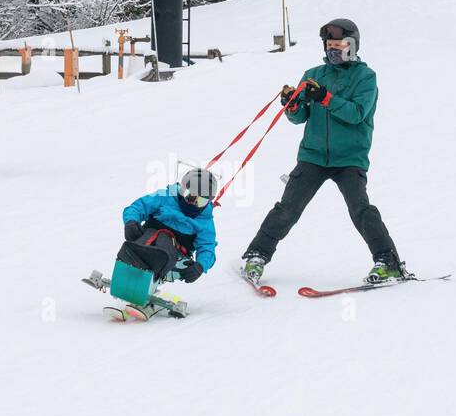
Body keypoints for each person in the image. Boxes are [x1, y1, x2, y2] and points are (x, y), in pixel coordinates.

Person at [241, 18, 407, 284]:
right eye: (330, 45)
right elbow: (300, 117)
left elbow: (356, 114)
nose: (334, 50)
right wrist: (291, 105)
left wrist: (326, 98)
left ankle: (388, 262)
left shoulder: (365, 77)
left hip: (349, 158)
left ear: (352, 45)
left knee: (360, 210)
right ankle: (257, 255)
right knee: (287, 209)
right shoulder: (313, 75)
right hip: (313, 155)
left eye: (339, 45)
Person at [116, 168, 218, 303]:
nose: (191, 203)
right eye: (188, 195)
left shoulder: (205, 221)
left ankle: (144, 287)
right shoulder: (166, 197)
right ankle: (128, 277)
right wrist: (131, 222)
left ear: (209, 201)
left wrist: (200, 266)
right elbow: (138, 207)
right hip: (148, 240)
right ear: (181, 189)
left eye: (199, 201)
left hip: (177, 258)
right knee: (153, 241)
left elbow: (207, 247)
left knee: (163, 244)